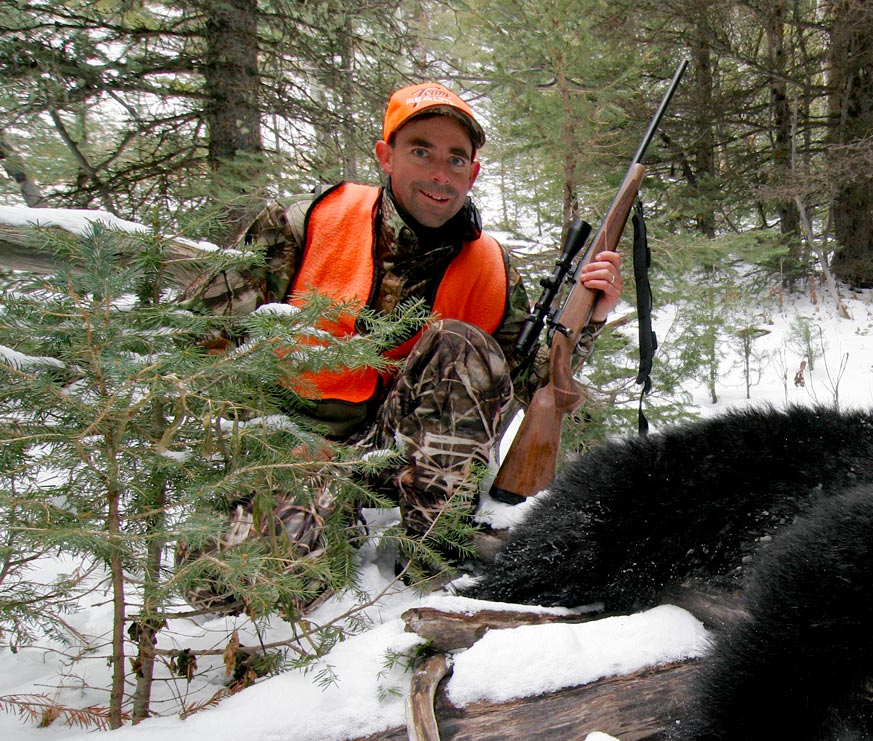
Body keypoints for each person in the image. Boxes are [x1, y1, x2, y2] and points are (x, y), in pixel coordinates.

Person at [183, 82, 622, 611]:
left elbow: (529, 386)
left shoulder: (492, 266)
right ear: (385, 156)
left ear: (473, 173)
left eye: (456, 159)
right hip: (291, 445)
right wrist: (246, 448)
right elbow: (196, 342)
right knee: (227, 593)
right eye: (421, 151)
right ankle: (326, 519)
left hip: (404, 459)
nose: (441, 173)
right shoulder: (304, 223)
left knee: (459, 343)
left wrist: (590, 319)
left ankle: (435, 545)